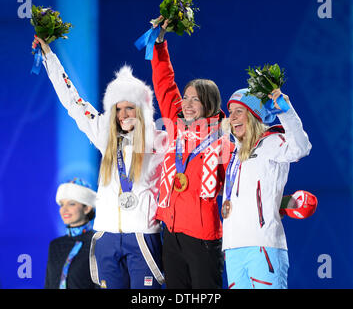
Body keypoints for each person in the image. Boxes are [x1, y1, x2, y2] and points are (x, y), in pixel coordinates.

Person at [33, 36, 168, 289]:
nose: (123, 115)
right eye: (118, 109)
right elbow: (73, 103)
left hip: (142, 234)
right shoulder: (104, 136)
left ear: (141, 110)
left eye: (130, 108)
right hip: (106, 235)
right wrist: (49, 57)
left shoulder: (160, 140)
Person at [148, 19, 232, 289]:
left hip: (202, 236)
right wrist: (160, 42)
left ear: (209, 103)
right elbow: (164, 83)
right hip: (171, 232)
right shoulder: (174, 124)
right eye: (185, 97)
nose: (187, 103)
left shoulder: (223, 139)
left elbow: (238, 179)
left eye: (195, 99)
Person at [222, 88, 312, 289]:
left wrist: (285, 112)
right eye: (231, 112)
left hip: (264, 247)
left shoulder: (271, 142)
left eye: (239, 111)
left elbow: (301, 147)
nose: (232, 117)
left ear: (253, 115)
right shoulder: (235, 154)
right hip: (234, 248)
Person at [45, 178, 97, 289]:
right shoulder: (55, 245)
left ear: (87, 208)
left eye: (71, 204)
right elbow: (48, 285)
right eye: (62, 205)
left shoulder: (97, 242)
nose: (64, 210)